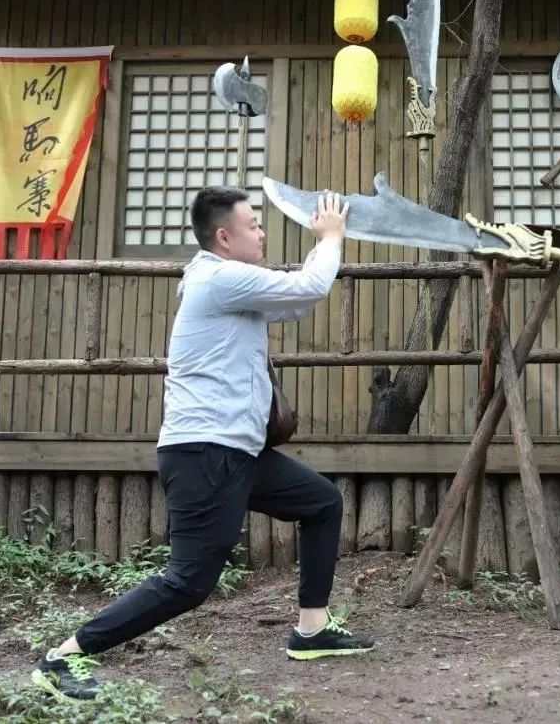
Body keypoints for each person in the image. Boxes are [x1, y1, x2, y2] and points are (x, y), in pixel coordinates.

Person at [32, 187, 374, 701]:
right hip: (204, 453)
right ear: (223, 236)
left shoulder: (225, 283)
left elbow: (297, 301)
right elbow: (311, 286)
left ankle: (311, 628)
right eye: (253, 224)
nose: (261, 232)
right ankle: (64, 657)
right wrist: (329, 238)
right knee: (189, 581)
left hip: (235, 451)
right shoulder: (217, 279)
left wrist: (318, 257)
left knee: (321, 502)